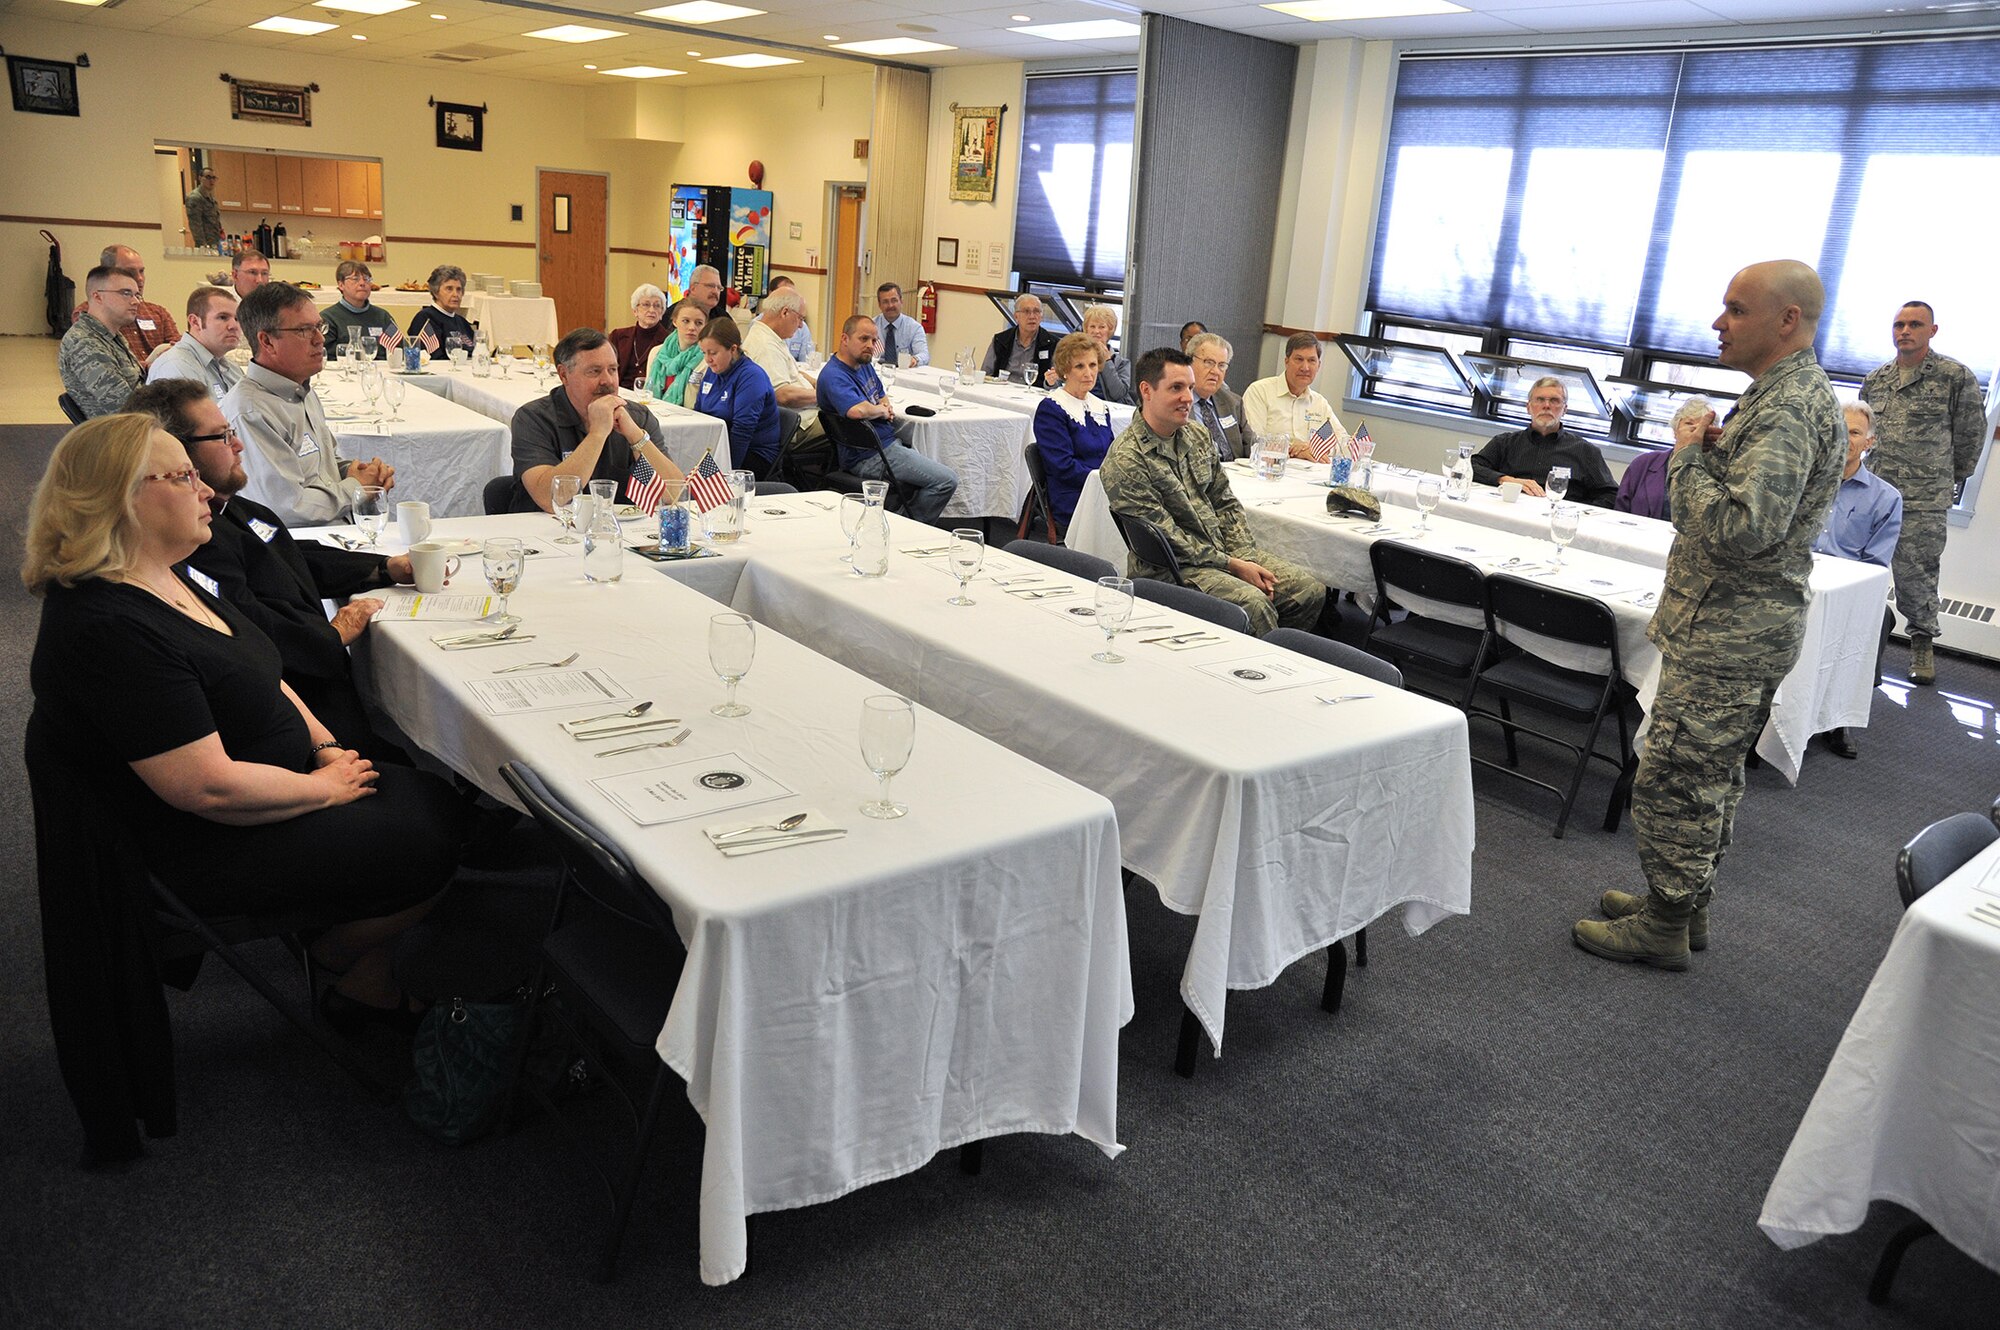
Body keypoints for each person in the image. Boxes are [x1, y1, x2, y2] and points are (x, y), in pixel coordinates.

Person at [23, 413, 465, 1025]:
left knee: (429, 800)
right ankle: (343, 961)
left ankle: (358, 967)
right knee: (438, 834)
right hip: (208, 841)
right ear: (120, 499)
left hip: (266, 792)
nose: (206, 489)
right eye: (182, 476)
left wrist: (324, 745)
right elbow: (203, 786)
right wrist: (320, 788)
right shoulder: (105, 627)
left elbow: (266, 672)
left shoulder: (164, 574)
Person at [1577, 260, 1846, 970]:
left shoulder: (1787, 408)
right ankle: (1682, 903)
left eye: (1735, 308)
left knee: (1677, 773)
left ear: (1787, 320)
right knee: (1711, 773)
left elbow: (1742, 529)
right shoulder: (1782, 397)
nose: (1717, 323)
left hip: (1730, 628)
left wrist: (1688, 459)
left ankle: (1664, 923)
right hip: (1732, 623)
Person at [129, 378, 413, 762]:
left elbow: (290, 555)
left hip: (317, 686)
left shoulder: (235, 510)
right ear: (178, 454)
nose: (238, 444)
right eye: (221, 436)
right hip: (293, 698)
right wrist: (330, 636)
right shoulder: (188, 542)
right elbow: (247, 624)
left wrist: (384, 568)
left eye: (231, 431)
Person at [1100, 347, 1329, 636]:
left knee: (1308, 591)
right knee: (1254, 606)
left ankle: (1271, 653)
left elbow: (1225, 501)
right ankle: (1254, 669)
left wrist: (1242, 554)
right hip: (1171, 569)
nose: (1187, 398)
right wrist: (1233, 565)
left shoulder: (1195, 435)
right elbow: (1167, 540)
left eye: (1190, 388)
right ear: (1147, 390)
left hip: (1223, 553)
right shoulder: (1127, 459)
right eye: (1176, 388)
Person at [1859, 301, 1986, 686]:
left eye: (1915, 324)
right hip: (1874, 493)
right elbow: (1862, 432)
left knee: (1917, 576)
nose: (1905, 331)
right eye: (1899, 324)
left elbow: (1970, 435)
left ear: (1932, 330)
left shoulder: (1954, 376)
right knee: (1861, 570)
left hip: (1923, 498)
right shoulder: (1876, 379)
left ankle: (1921, 646)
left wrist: (1946, 477)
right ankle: (1857, 641)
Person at [222, 281, 396, 526]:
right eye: (305, 330)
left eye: (319, 327)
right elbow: (285, 508)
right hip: (301, 544)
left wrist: (364, 473)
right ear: (267, 342)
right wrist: (356, 488)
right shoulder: (250, 412)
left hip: (333, 530)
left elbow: (322, 468)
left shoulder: (302, 391)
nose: (319, 340)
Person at [1810, 401, 1905, 760]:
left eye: (1854, 432)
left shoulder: (1886, 497)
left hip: (1847, 587)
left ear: (1869, 442)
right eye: (1839, 428)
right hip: (1792, 577)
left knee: (1881, 617)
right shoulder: (1803, 480)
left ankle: (1839, 715)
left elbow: (1876, 566)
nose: (1844, 438)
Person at [511, 326, 686, 513]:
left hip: (621, 531)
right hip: (547, 533)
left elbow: (673, 493)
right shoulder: (533, 419)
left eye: (612, 370)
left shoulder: (637, 417)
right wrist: (597, 434)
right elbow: (552, 499)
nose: (607, 381)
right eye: (594, 371)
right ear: (564, 375)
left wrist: (636, 437)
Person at [816, 315, 959, 524]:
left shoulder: (863, 364)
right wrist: (882, 411)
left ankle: (898, 520)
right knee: (946, 480)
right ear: (844, 338)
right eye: (863, 339)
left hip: (885, 446)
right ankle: (907, 527)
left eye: (874, 341)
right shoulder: (834, 375)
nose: (869, 346)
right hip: (870, 456)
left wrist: (883, 406)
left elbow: (880, 394)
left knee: (932, 462)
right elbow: (856, 411)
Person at [1469, 376, 1617, 506]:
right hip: (1510, 512)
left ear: (1564, 409)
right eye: (1540, 399)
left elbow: (1610, 495)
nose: (1546, 406)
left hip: (1558, 518)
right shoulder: (1505, 443)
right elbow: (1470, 467)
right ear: (1528, 407)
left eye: (1554, 400)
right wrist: (1507, 480)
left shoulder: (1585, 451)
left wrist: (1575, 511)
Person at [1033, 331, 1116, 528]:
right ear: (1065, 371)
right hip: (1073, 495)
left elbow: (1113, 455)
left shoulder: (1100, 407)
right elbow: (1062, 467)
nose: (1089, 373)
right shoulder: (1052, 408)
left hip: (1103, 490)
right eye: (1080, 366)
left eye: (1093, 365)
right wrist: (1103, 482)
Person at [692, 318, 780, 480]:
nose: (707, 359)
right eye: (704, 352)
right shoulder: (713, 370)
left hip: (750, 453)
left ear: (733, 349)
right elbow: (699, 413)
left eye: (713, 353)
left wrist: (724, 475)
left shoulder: (752, 376)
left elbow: (742, 431)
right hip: (716, 448)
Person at [60, 266, 146, 418]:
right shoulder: (84, 342)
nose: (135, 301)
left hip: (137, 427)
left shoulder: (111, 336)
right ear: (98, 297)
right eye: (126, 293)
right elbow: (125, 409)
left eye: (137, 295)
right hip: (120, 434)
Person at [1241, 333, 1343, 459]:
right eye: (1299, 359)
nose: (1305, 368)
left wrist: (1313, 448)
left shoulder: (1319, 402)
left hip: (1311, 473)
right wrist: (1293, 450)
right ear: (1286, 361)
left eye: (1311, 361)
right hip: (1271, 469)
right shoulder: (1260, 391)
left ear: (1318, 366)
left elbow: (1342, 441)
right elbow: (1253, 441)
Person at [72, 245, 179, 364]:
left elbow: (178, 347)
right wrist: (148, 366)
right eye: (129, 272)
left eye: (142, 271)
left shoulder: (158, 312)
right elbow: (104, 361)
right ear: (108, 273)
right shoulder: (89, 313)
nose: (139, 278)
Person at [1615, 399, 1710, 521]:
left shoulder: (1716, 471)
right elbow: (1619, 512)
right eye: (1689, 424)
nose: (1694, 432)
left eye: (1701, 427)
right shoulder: (1643, 463)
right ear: (1675, 430)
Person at [145, 286, 243, 398]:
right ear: (195, 322)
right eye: (222, 317)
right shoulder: (176, 366)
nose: (234, 326)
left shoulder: (232, 368)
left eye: (237, 319)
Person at [1187, 333, 1256, 462]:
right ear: (1189, 362)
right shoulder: (1174, 401)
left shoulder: (1232, 402)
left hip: (1235, 477)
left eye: (1221, 365)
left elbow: (1253, 446)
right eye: (1209, 362)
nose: (1215, 371)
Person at [318, 261, 400, 357]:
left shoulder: (383, 316)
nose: (362, 283)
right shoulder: (328, 318)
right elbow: (325, 355)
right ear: (341, 285)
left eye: (366, 279)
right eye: (355, 279)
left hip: (379, 369)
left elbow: (398, 350)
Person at [981, 293, 1059, 383]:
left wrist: (1051, 382)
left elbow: (1057, 382)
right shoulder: (1001, 340)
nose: (1032, 316)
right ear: (1016, 316)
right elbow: (986, 374)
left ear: (1041, 316)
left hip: (1033, 394)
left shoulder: (1053, 344)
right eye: (1026, 311)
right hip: (1002, 390)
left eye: (1036, 311)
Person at [644, 299, 709, 406]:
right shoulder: (657, 353)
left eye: (699, 323)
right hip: (655, 414)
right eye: (686, 321)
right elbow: (647, 393)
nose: (692, 327)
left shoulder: (707, 359)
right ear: (675, 321)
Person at [406, 264, 476, 359]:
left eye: (459, 289)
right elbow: (433, 357)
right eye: (449, 289)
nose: (456, 294)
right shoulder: (425, 318)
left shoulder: (462, 321)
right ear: (436, 292)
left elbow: (475, 351)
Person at [609, 284, 670, 390]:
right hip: (619, 392)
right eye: (646, 305)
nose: (651, 310)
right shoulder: (618, 336)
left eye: (657, 306)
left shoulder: (668, 341)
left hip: (650, 397)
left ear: (661, 313)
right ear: (635, 311)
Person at [1077, 304, 1133, 405]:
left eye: (1102, 327)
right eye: (1092, 326)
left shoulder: (1121, 363)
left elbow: (1118, 394)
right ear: (1086, 329)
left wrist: (1107, 361)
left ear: (1110, 330)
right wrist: (1050, 383)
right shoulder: (1075, 356)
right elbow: (1061, 385)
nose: (1096, 331)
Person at [874, 283, 930, 367]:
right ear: (879, 305)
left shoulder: (914, 328)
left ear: (901, 301)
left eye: (894, 300)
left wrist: (915, 359)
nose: (890, 305)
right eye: (885, 302)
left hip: (905, 373)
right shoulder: (871, 326)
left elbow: (924, 354)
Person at [767, 276, 816, 363]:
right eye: (786, 296)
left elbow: (807, 360)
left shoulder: (802, 327)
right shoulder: (762, 326)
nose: (800, 325)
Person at [185, 167, 222, 249]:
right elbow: (196, 225)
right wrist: (203, 246)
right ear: (200, 178)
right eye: (208, 177)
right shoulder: (195, 198)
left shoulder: (211, 199)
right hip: (205, 246)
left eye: (213, 178)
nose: (211, 181)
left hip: (215, 244)